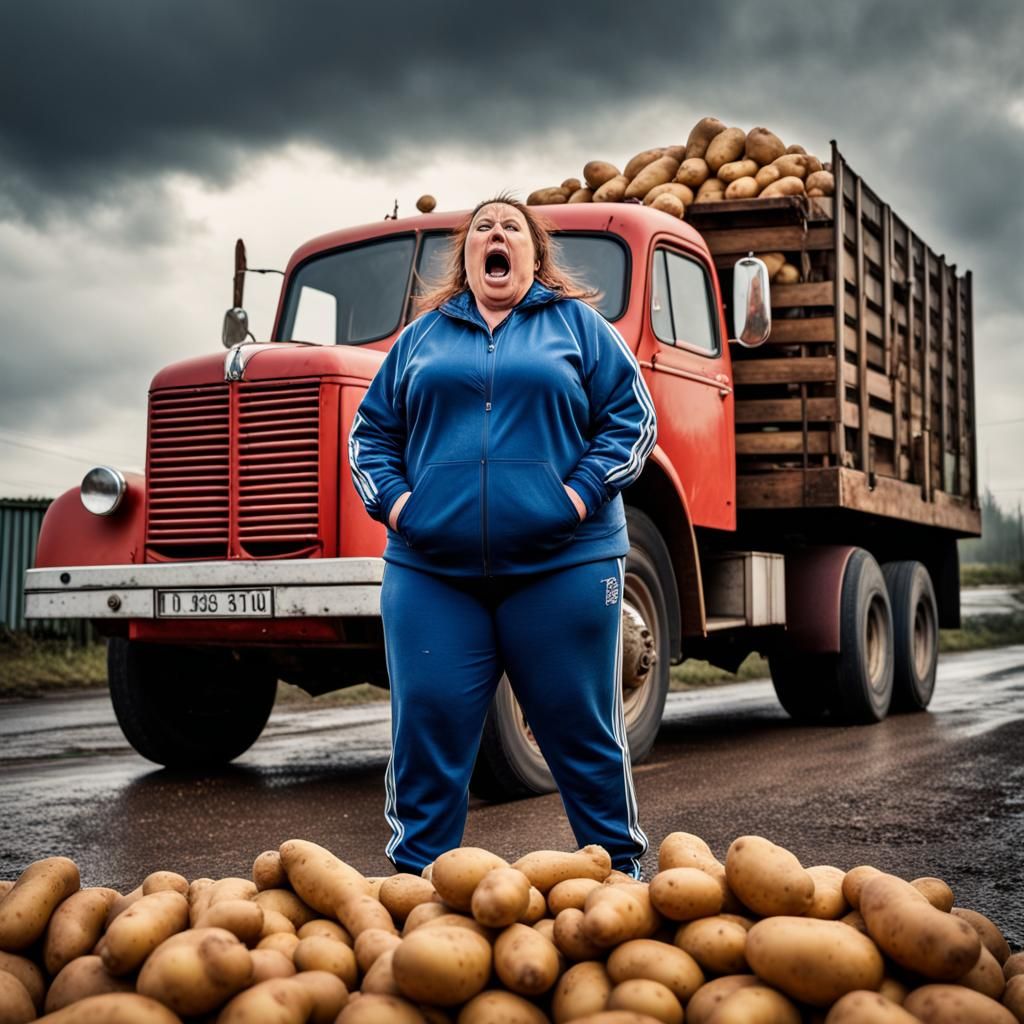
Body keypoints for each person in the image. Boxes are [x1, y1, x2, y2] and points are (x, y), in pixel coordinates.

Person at [348, 195, 656, 877]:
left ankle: (622, 876)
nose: (496, 233)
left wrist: (575, 497)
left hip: (564, 565)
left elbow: (633, 422)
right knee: (426, 727)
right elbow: (370, 437)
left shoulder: (578, 327)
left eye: (511, 226)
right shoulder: (421, 338)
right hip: (433, 572)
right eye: (482, 226)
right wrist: (400, 509)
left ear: (534, 254)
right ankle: (415, 885)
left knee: (580, 729)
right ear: (465, 255)